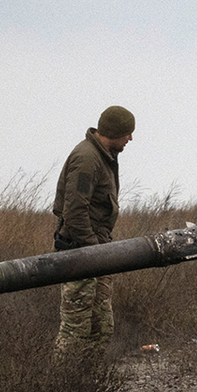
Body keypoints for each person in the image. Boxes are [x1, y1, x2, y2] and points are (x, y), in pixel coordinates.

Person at [52, 105, 135, 359]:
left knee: (100, 330)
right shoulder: (87, 158)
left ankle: (86, 389)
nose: (130, 139)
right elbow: (75, 212)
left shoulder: (103, 156)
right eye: (127, 133)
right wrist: (94, 251)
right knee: (75, 333)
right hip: (80, 257)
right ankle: (62, 390)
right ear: (114, 132)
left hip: (95, 255)